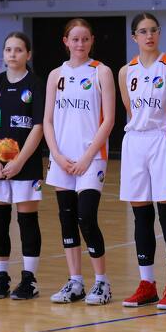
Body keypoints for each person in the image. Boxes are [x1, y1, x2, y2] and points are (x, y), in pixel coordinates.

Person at [44, 18, 115, 305]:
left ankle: (102, 282)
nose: (80, 44)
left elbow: (109, 120)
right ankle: (75, 281)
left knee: (86, 217)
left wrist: (87, 157)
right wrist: (57, 155)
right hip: (62, 158)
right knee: (67, 219)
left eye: (85, 39)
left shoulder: (102, 72)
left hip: (91, 158)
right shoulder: (55, 75)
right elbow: (48, 121)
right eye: (75, 39)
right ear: (66, 41)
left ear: (92, 40)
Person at [118, 13, 166, 309]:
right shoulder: (126, 71)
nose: (149, 36)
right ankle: (147, 283)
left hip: (163, 139)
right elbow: (130, 109)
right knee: (141, 215)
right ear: (134, 37)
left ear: (159, 33)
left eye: (153, 30)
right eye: (143, 32)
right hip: (136, 141)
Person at [0, 32, 44, 300]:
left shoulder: (35, 85)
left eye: (18, 50)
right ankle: (1, 278)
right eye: (8, 50)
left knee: (27, 221)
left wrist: (20, 161)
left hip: (25, 165)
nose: (12, 54)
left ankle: (29, 280)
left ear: (28, 54)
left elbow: (39, 126)